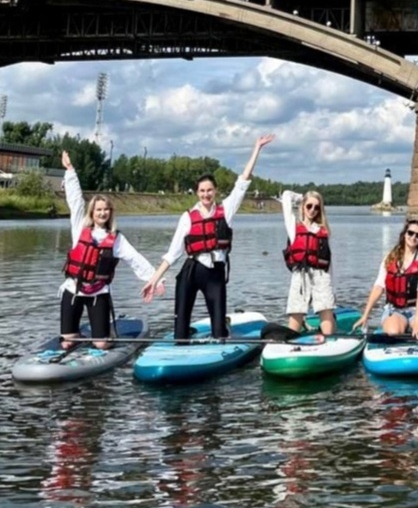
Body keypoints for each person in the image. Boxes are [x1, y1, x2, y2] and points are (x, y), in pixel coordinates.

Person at [142, 134, 274, 340]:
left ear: (215, 191)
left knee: (218, 334)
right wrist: (154, 280)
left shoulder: (226, 210)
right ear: (197, 192)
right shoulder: (187, 217)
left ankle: (222, 326)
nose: (206, 194)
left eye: (209, 190)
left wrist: (257, 148)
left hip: (215, 274)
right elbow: (172, 254)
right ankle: (183, 336)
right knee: (180, 333)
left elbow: (242, 183)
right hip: (191, 272)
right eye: (202, 191)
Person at [59, 150, 162, 350]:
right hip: (73, 290)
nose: (102, 213)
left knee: (101, 344)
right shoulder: (80, 227)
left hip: (98, 292)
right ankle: (75, 335)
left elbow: (135, 259)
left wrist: (155, 279)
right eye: (98, 209)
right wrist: (70, 170)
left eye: (106, 209)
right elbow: (75, 201)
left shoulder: (116, 239)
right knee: (68, 343)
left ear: (111, 212)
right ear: (92, 212)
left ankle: (106, 334)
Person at [356, 222, 418, 339]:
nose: (413, 237)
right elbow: (379, 286)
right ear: (404, 234)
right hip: (395, 309)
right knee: (393, 332)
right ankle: (403, 324)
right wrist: (365, 315)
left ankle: (417, 324)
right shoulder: (390, 258)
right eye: (410, 233)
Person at [279, 188, 337, 335]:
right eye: (309, 206)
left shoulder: (323, 231)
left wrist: (330, 285)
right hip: (300, 275)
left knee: (326, 309)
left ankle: (329, 339)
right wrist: (302, 198)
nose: (312, 210)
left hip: (321, 275)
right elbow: (286, 196)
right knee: (296, 311)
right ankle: (291, 341)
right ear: (303, 207)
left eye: (317, 207)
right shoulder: (293, 227)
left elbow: (328, 260)